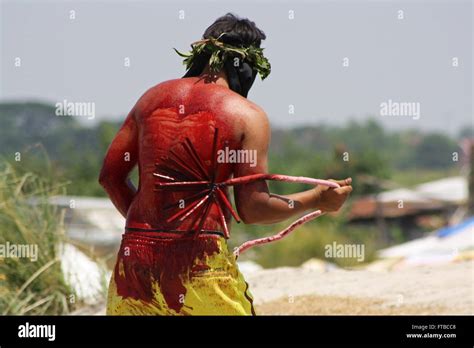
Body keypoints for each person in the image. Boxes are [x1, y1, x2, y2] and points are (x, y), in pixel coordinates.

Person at [99, 13, 352, 315]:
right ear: (247, 65)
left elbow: (110, 177)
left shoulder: (150, 99)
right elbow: (253, 208)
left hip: (135, 261)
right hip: (200, 262)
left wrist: (154, 228)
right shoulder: (245, 114)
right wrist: (318, 200)